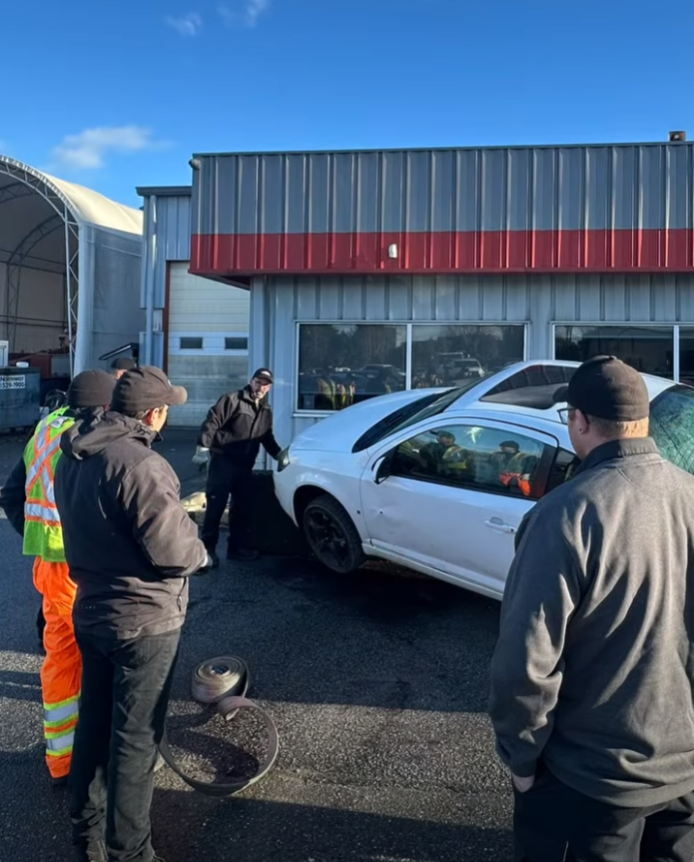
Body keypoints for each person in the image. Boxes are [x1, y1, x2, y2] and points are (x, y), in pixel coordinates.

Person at [489, 355, 694, 862]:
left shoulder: (566, 512)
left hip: (590, 783)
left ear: (578, 420)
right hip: (683, 769)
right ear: (642, 420)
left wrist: (521, 756)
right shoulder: (690, 494)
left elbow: (526, 659)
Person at [54, 366, 211, 862]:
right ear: (154, 412)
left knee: (93, 726)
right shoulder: (141, 464)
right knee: (135, 742)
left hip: (91, 608)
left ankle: (87, 837)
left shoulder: (75, 454)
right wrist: (203, 553)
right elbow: (175, 552)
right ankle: (131, 853)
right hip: (143, 621)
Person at [0, 369, 116, 787]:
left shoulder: (46, 431)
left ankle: (62, 761)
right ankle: (106, 760)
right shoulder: (90, 441)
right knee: (108, 658)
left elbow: (13, 495)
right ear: (103, 406)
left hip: (49, 568)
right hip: (82, 569)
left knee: (61, 660)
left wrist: (35, 532)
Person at [193, 368, 282, 565]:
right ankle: (207, 551)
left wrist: (279, 455)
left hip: (245, 466)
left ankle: (236, 549)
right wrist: (203, 446)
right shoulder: (233, 400)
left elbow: (266, 437)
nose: (261, 387)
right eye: (258, 382)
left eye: (265, 384)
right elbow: (212, 421)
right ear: (251, 381)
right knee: (215, 506)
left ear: (269, 388)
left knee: (241, 508)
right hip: (223, 462)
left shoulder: (265, 410)